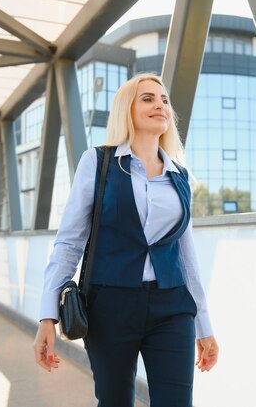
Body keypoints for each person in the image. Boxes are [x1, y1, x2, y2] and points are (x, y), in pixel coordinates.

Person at [33, 73, 219, 407]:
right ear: (126, 110)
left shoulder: (180, 176)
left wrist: (203, 324)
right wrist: (48, 315)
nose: (159, 105)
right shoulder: (98, 162)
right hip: (110, 306)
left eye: (163, 99)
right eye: (147, 98)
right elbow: (70, 242)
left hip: (172, 306)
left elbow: (185, 254)